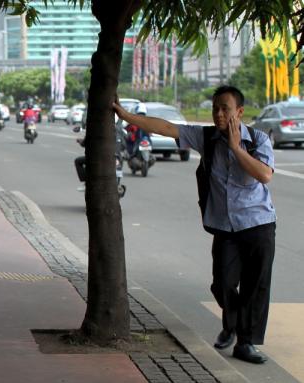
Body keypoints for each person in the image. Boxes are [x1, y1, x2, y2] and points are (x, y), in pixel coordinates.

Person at [113, 86, 276, 365]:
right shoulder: (207, 137)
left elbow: (264, 175)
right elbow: (165, 127)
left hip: (258, 223)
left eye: (225, 108)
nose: (218, 114)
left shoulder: (258, 140)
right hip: (225, 227)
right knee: (222, 283)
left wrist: (236, 148)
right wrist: (125, 114)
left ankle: (245, 343)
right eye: (215, 108)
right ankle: (233, 321)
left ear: (239, 112)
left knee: (256, 286)